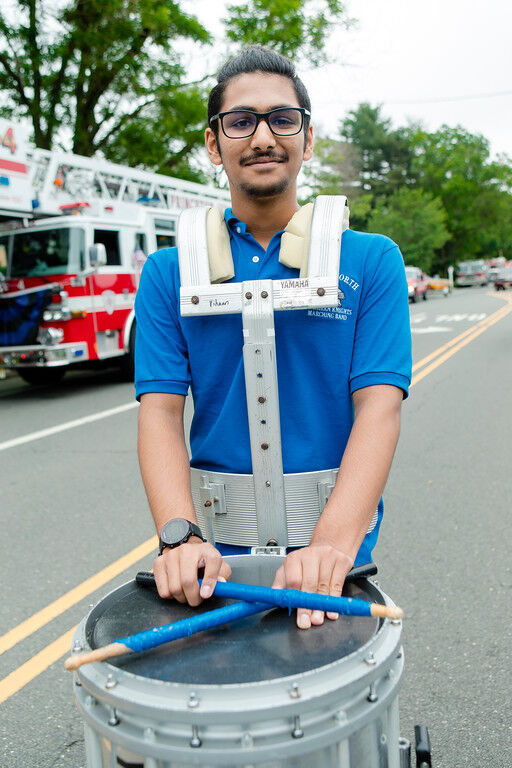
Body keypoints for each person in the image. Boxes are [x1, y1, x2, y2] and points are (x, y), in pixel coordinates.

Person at [135, 45, 412, 630]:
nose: (263, 136)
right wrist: (178, 538)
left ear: (307, 139)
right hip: (217, 552)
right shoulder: (167, 272)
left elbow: (380, 406)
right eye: (240, 121)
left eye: (283, 119)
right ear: (214, 143)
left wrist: (332, 544)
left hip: (333, 544)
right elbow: (159, 413)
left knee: (331, 702)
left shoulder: (371, 259)